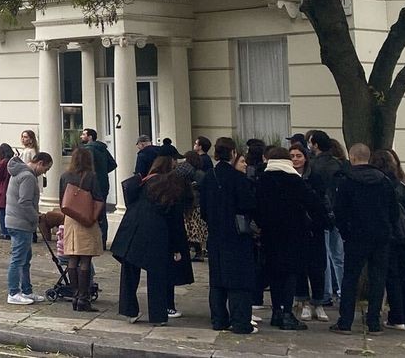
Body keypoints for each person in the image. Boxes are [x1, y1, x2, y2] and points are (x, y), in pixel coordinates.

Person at [112, 155, 191, 325]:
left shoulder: (144, 182)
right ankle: (158, 315)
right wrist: (177, 247)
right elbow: (175, 220)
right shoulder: (171, 186)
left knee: (129, 274)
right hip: (157, 235)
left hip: (132, 230)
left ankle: (129, 311)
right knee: (158, 277)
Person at [255, 146, 326, 330]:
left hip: (270, 235)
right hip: (294, 234)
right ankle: (287, 313)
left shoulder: (262, 179)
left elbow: (256, 207)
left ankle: (276, 312)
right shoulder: (294, 180)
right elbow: (314, 203)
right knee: (290, 274)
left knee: (275, 274)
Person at [329, 143, 394, 333]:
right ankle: (374, 321)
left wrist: (345, 232)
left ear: (352, 157)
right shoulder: (384, 181)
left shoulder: (348, 181)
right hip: (380, 236)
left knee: (350, 278)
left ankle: (345, 321)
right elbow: (393, 210)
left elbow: (339, 211)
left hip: (356, 236)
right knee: (377, 279)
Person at [200, 137, 257, 335]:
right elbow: (248, 205)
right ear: (233, 153)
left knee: (217, 280)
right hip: (237, 235)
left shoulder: (208, 177)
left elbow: (204, 211)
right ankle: (240, 322)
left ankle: (219, 319)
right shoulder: (238, 179)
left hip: (216, 234)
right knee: (239, 281)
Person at [369, 150, 405, 331]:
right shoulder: (401, 185)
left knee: (392, 277)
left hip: (388, 237)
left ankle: (397, 317)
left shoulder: (376, 185)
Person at [288, 143, 330, 322]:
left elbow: (322, 202)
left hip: (314, 227)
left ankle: (318, 302)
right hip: (296, 228)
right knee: (300, 266)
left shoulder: (315, 177)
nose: (296, 159)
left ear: (305, 157)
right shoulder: (288, 177)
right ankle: (303, 301)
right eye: (292, 156)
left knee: (317, 267)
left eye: (298, 156)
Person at [59, 146, 104, 311]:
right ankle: (84, 299)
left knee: (72, 258)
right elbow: (99, 198)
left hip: (71, 219)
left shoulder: (65, 176)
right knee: (85, 259)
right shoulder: (91, 176)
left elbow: (61, 200)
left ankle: (75, 295)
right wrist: (94, 218)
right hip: (86, 219)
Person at [307, 130, 348, 308]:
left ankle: (325, 294)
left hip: (322, 213)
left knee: (324, 255)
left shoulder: (313, 166)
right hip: (338, 213)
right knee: (338, 256)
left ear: (315, 144)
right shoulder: (338, 164)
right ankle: (343, 291)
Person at [5, 151, 48, 304]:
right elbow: (25, 202)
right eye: (46, 169)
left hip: (15, 220)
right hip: (21, 223)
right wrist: (36, 217)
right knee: (18, 259)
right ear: (40, 163)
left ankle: (26, 290)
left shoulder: (19, 173)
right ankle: (14, 292)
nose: (44, 172)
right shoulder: (28, 177)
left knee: (24, 259)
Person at [79, 127, 116, 245]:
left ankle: (92, 240)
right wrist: (103, 172)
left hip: (91, 185)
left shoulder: (87, 149)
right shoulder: (103, 149)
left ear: (90, 137)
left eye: (84, 135)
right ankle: (103, 240)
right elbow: (113, 164)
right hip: (103, 183)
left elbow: (85, 167)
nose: (81, 136)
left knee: (90, 212)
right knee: (102, 212)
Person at [0, 142, 13, 239]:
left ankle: (5, 232)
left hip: (2, 187)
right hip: (9, 187)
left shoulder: (3, 162)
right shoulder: (11, 161)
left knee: (2, 211)